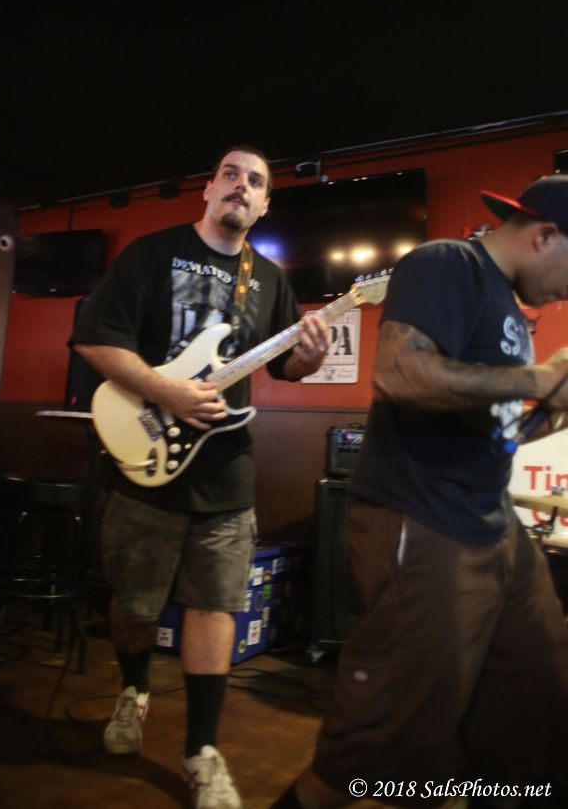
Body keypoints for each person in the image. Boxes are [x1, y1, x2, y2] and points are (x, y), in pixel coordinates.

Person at [273, 174, 568, 809]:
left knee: (535, 700)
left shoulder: (509, 304)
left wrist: (550, 407)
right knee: (378, 742)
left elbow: (493, 421)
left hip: (493, 524)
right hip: (425, 517)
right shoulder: (447, 263)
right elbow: (400, 372)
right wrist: (536, 378)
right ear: (546, 236)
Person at [71, 145, 330, 809]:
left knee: (217, 605)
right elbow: (96, 339)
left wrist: (311, 355)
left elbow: (286, 369)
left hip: (226, 466)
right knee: (135, 609)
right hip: (145, 458)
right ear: (209, 189)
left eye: (256, 181)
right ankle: (134, 688)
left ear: (265, 204)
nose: (242, 186)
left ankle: (201, 750)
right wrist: (167, 393)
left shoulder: (268, 279)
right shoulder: (152, 254)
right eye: (231, 175)